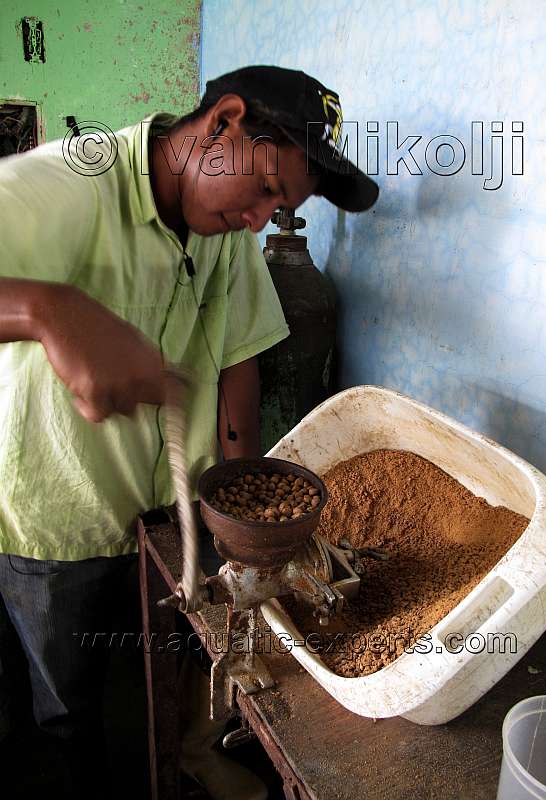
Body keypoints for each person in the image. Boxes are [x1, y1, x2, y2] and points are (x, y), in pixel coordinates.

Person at [0, 65, 378, 794]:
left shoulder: (223, 226)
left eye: (283, 207)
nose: (263, 218)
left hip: (166, 520)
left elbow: (239, 358)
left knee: (157, 670)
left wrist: (239, 503)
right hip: (59, 517)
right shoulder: (75, 185)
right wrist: (45, 310)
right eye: (268, 187)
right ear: (223, 122)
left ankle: (175, 761)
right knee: (69, 709)